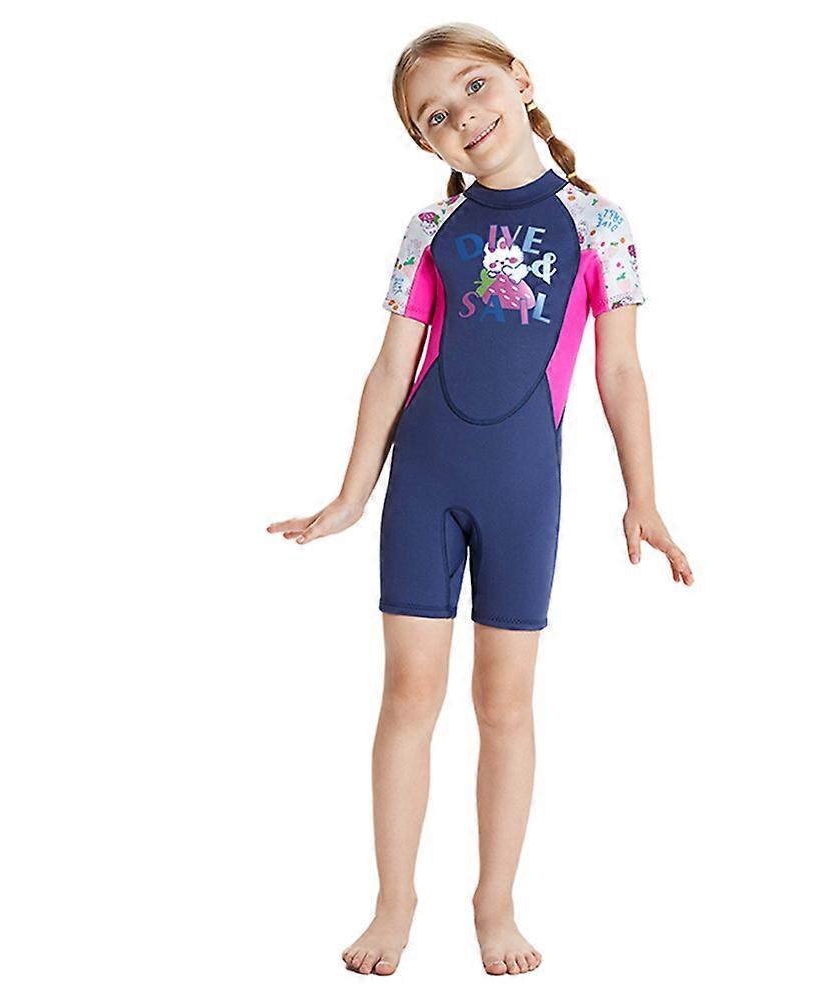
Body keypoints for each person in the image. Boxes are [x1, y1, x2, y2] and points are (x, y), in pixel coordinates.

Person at [267, 22, 694, 977]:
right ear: (427, 145)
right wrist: (351, 494)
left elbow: (621, 372)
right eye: (434, 115)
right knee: (408, 695)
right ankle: (394, 901)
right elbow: (391, 369)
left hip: (523, 494)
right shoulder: (430, 231)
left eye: (471, 86)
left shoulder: (600, 223)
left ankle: (494, 903)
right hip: (424, 484)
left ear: (519, 79)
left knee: (505, 705)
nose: (462, 115)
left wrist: (645, 496)